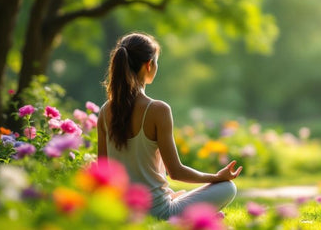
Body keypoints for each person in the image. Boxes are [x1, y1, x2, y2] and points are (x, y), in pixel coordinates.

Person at [97, 32, 242, 220]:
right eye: (156, 62)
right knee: (228, 187)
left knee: (179, 195)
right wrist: (216, 177)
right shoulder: (157, 110)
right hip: (157, 213)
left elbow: (102, 170)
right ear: (149, 65)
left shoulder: (104, 111)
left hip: (122, 213)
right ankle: (189, 220)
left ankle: (193, 218)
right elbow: (176, 171)